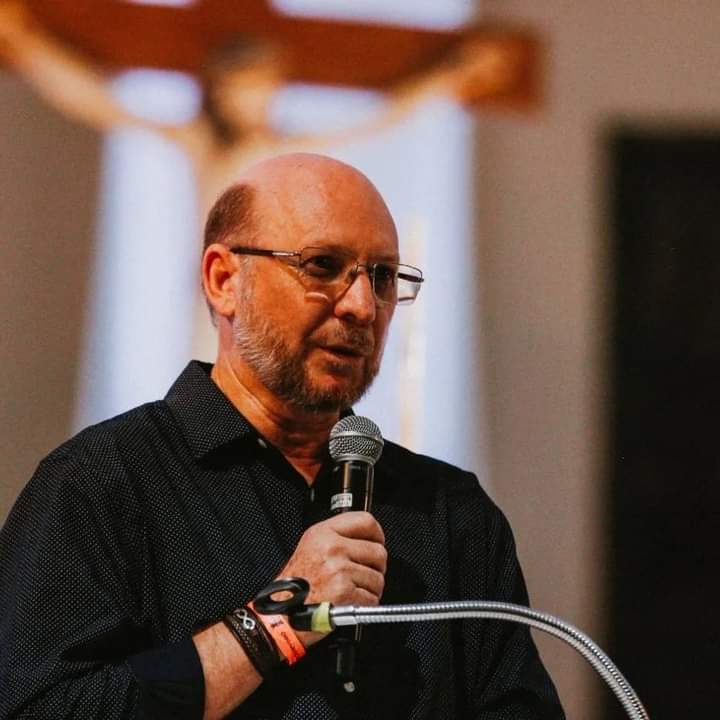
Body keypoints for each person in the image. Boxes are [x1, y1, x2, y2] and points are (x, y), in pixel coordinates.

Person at [0, 153, 564, 719]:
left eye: (383, 277)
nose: (362, 306)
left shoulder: (450, 514)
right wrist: (275, 623)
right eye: (322, 265)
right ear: (224, 280)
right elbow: (37, 708)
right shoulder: (102, 482)